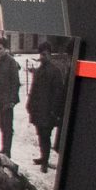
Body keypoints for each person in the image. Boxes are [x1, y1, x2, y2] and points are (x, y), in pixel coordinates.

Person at [29, 40, 73, 169]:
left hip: (48, 111)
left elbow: (58, 94)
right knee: (40, 134)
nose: (42, 57)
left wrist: (54, 111)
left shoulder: (55, 71)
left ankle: (45, 161)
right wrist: (30, 104)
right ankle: (43, 157)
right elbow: (33, 90)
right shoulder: (39, 71)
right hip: (38, 110)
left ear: (49, 54)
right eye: (40, 54)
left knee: (46, 135)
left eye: (44, 54)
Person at [0, 36, 22, 158]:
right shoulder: (0, 61)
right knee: (2, 124)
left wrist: (12, 101)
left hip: (8, 101)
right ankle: (4, 149)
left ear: (6, 49)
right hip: (0, 99)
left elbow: (15, 83)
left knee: (8, 126)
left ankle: (7, 151)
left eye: (0, 48)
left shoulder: (11, 62)